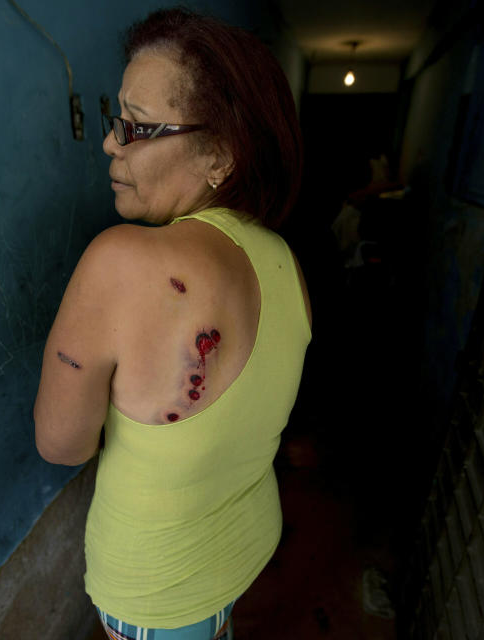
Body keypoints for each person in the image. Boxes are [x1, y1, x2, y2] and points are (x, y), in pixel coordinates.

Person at [34, 7, 311, 639]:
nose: (110, 142)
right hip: (242, 549)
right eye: (116, 120)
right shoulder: (284, 262)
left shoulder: (122, 262)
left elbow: (61, 444)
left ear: (220, 155)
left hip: (157, 595)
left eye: (136, 126)